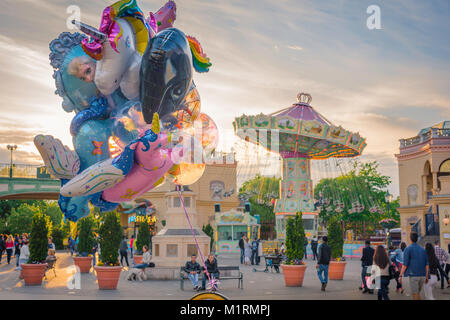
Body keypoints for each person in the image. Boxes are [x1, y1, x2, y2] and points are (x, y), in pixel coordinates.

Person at [399, 233, 429, 300]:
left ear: (410, 239)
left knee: (415, 294)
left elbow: (405, 264)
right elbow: (427, 264)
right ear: (417, 239)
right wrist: (426, 276)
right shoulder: (423, 250)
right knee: (417, 294)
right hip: (423, 275)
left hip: (414, 275)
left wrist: (400, 275)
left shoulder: (408, 249)